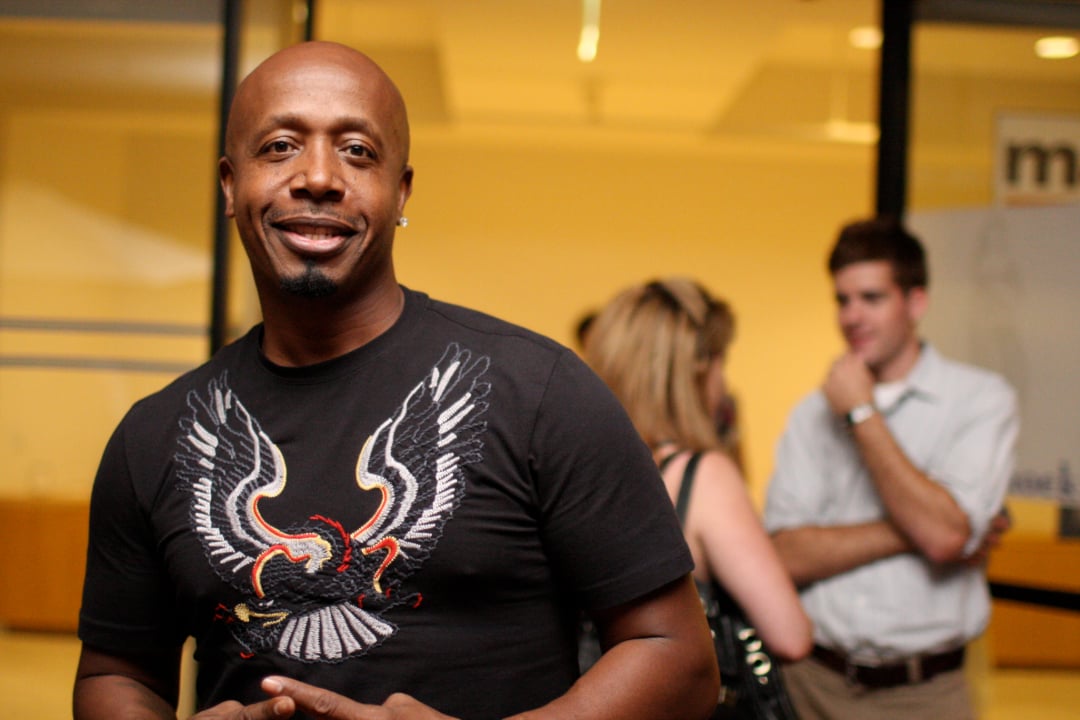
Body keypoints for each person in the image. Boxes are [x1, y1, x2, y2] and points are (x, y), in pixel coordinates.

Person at [73, 41, 719, 720]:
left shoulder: (542, 393)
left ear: (401, 191)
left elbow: (679, 658)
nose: (318, 177)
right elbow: (116, 675)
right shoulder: (155, 433)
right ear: (231, 186)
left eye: (357, 151)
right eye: (281, 147)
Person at [763, 217, 1019, 719]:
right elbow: (785, 555)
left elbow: (943, 536)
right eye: (842, 299)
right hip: (811, 684)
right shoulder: (810, 413)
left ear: (916, 302)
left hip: (925, 695)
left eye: (872, 298)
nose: (852, 316)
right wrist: (923, 528)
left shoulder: (981, 399)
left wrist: (861, 413)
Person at [584, 279, 812, 672]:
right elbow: (790, 636)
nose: (725, 383)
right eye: (723, 360)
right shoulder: (702, 476)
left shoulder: (583, 467)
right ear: (695, 372)